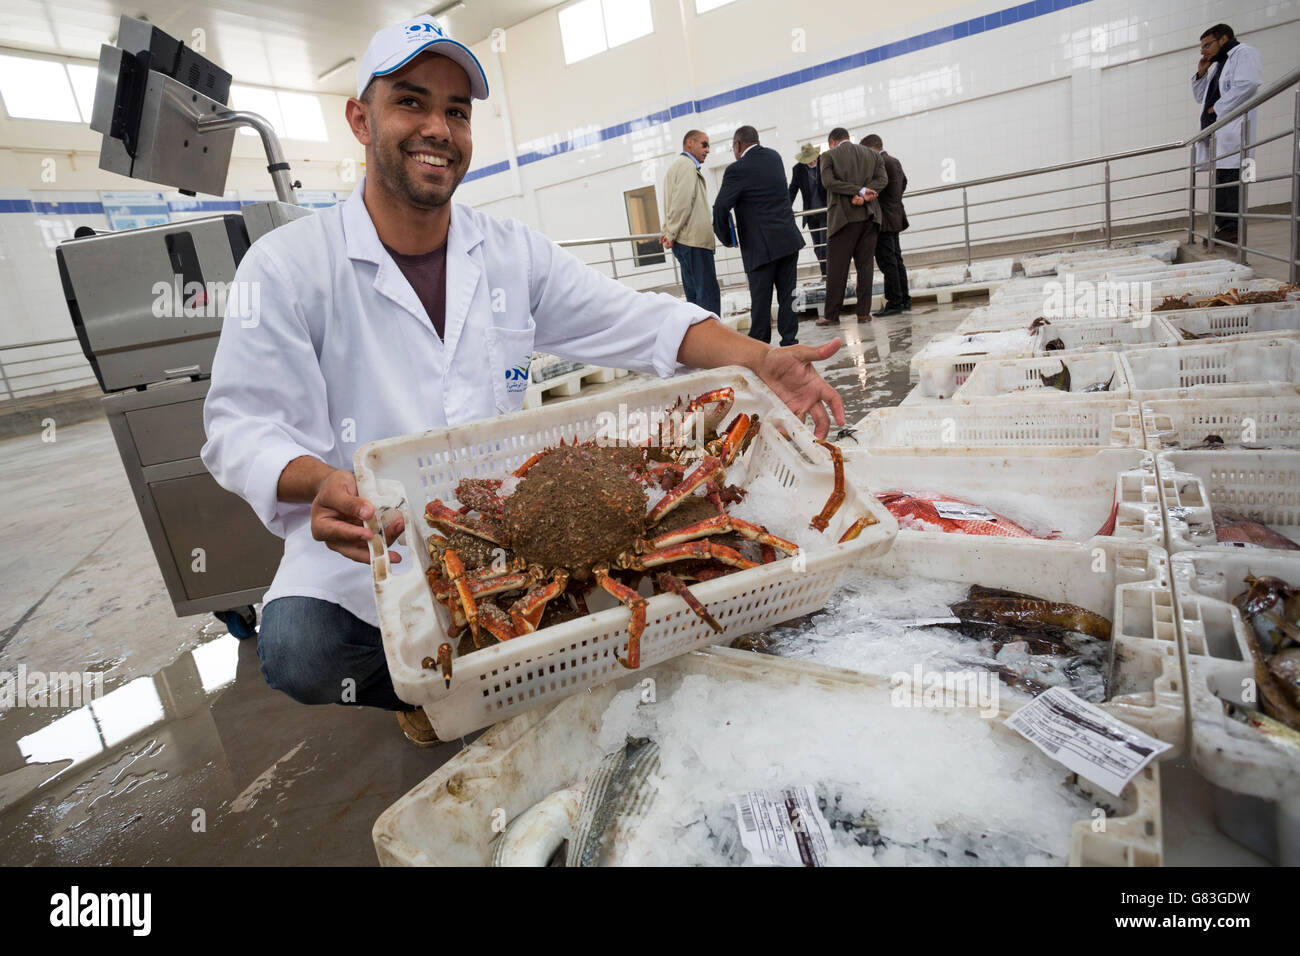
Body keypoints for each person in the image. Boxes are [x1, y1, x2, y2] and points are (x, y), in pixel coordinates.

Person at [200, 16, 846, 745]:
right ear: (360, 118)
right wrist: (316, 479)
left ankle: (522, 660)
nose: (437, 128)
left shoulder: (510, 255)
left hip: (504, 519)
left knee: (627, 560)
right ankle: (437, 693)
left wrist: (758, 357)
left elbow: (639, 322)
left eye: (456, 110)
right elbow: (238, 427)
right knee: (299, 648)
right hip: (370, 532)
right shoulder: (288, 268)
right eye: (411, 102)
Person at [711, 125, 806, 346]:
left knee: (761, 299)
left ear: (737, 145)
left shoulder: (737, 169)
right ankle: (790, 340)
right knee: (788, 294)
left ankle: (760, 345)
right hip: (788, 239)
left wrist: (726, 238)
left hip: (760, 246)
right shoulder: (774, 157)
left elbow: (720, 207)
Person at [1192, 23, 1262, 245]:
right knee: (1222, 182)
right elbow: (1200, 97)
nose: (1204, 51)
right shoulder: (1218, 66)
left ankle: (1231, 230)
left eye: (1207, 45)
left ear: (1223, 39)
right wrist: (1201, 74)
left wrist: (1218, 107)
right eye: (1202, 47)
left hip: (1235, 133)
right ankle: (1224, 227)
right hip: (1220, 136)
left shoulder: (1244, 53)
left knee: (1232, 181)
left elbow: (1249, 84)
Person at [817, 127, 887, 326]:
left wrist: (859, 190)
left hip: (843, 219)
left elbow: (828, 182)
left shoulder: (828, 156)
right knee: (865, 267)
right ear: (848, 138)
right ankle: (863, 313)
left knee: (837, 269)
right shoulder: (872, 155)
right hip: (870, 217)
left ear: (832, 141)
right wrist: (865, 192)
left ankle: (831, 315)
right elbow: (883, 180)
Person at [660, 129, 720, 315]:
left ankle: (701, 342)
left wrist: (668, 231)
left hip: (686, 242)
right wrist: (669, 233)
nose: (708, 149)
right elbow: (681, 202)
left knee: (695, 298)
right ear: (689, 143)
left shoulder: (678, 166)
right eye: (704, 144)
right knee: (707, 297)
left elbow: (672, 203)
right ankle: (712, 342)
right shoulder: (687, 166)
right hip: (694, 243)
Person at [861, 134, 910, 317]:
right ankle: (904, 299)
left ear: (870, 148)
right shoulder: (894, 161)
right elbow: (904, 182)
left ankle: (894, 302)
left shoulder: (880, 163)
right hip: (896, 215)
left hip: (884, 219)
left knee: (887, 261)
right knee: (897, 260)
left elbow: (876, 188)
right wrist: (894, 201)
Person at [788, 143, 828, 279]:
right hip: (811, 215)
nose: (812, 161)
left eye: (814, 158)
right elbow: (792, 190)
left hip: (826, 212)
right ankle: (825, 274)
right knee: (817, 247)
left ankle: (828, 275)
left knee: (825, 246)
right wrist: (786, 208)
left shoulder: (825, 162)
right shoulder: (798, 169)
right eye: (809, 159)